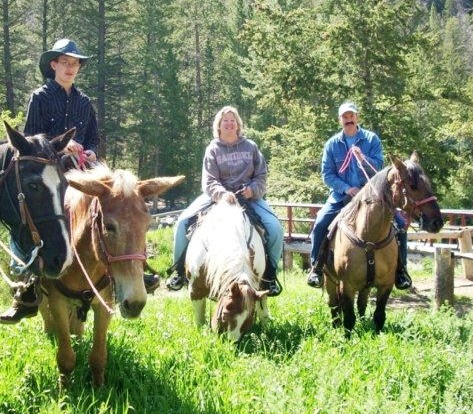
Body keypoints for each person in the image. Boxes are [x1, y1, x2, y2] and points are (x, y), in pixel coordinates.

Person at [0, 38, 159, 324]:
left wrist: (91, 150)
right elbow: (32, 138)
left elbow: (94, 137)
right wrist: (61, 146)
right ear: (53, 65)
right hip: (51, 168)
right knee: (30, 214)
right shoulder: (40, 97)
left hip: (87, 167)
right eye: (65, 63)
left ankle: (136, 269)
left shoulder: (84, 102)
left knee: (124, 206)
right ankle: (26, 284)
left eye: (75, 64)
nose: (71, 68)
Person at [166, 105, 283, 297]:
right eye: (225, 121)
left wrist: (252, 190)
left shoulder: (251, 147)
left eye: (233, 120)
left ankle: (270, 275)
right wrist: (221, 193)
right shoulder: (213, 149)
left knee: (275, 228)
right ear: (218, 126)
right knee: (182, 223)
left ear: (238, 125)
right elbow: (209, 179)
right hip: (218, 197)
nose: (229, 124)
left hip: (248, 198)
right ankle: (179, 271)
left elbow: (261, 175)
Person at [306, 102, 412, 290]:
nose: (348, 119)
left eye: (351, 116)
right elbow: (327, 175)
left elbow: (378, 169)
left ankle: (401, 271)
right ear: (340, 120)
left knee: (400, 225)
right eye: (345, 117)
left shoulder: (371, 140)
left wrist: (363, 158)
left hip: (372, 197)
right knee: (321, 223)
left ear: (357, 117)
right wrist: (347, 189)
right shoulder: (332, 144)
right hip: (342, 196)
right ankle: (316, 268)